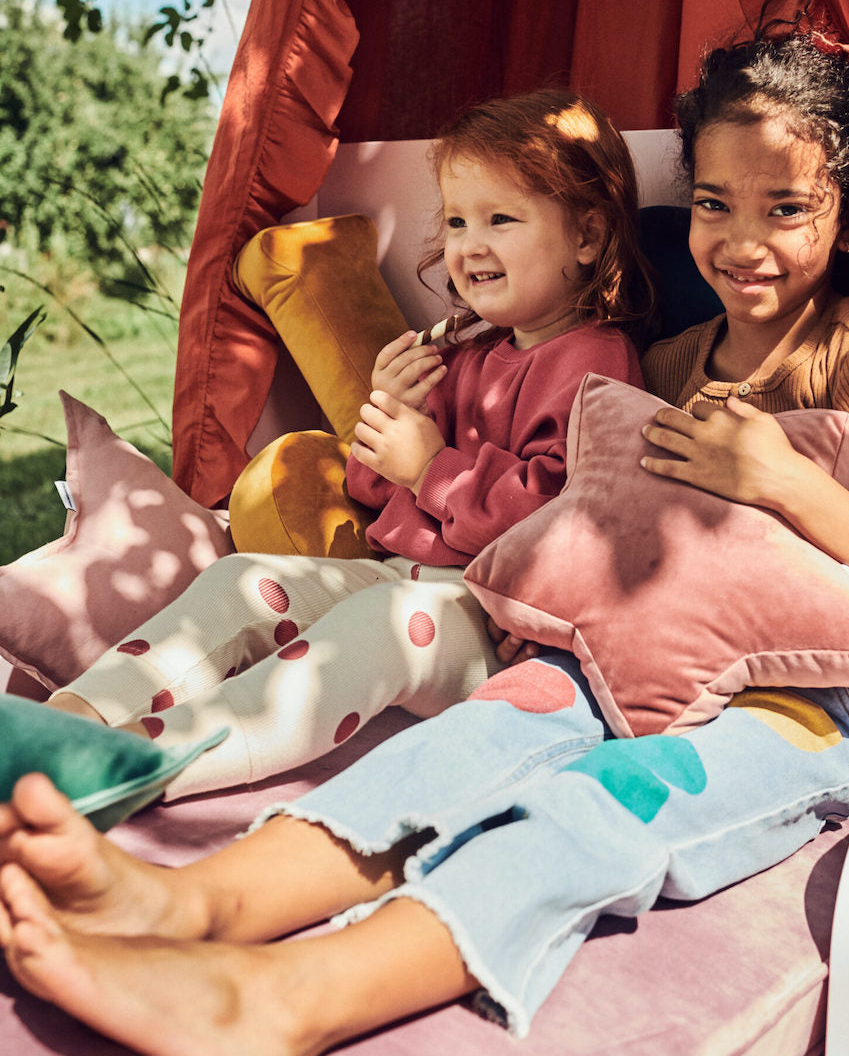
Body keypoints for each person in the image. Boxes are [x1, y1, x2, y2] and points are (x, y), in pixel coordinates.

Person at [0, 30, 849, 1056]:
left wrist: (788, 486)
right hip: (602, 658)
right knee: (463, 741)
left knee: (591, 804)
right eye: (712, 204)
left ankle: (279, 1004)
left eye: (786, 209)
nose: (740, 240)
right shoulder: (664, 364)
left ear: (847, 215)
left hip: (791, 707)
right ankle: (189, 898)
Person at [44, 89, 651, 797]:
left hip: (494, 622)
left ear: (587, 238)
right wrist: (391, 412)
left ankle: (146, 763)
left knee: (369, 629)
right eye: (456, 221)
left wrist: (431, 466)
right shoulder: (468, 355)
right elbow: (370, 493)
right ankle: (72, 718)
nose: (469, 245)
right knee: (239, 579)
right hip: (405, 577)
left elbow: (558, 520)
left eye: (501, 219)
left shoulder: (596, 361)